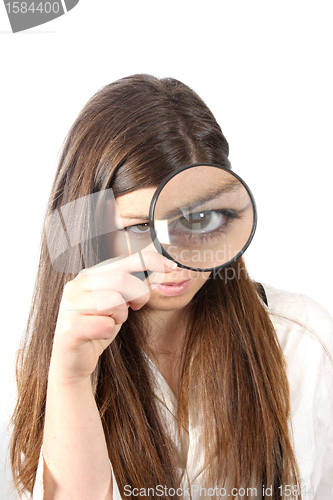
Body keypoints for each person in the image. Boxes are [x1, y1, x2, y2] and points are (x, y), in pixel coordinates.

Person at [10, 74, 333, 500]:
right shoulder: (30, 373)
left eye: (197, 220)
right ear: (87, 228)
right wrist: (71, 379)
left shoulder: (300, 339)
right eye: (142, 226)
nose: (175, 256)